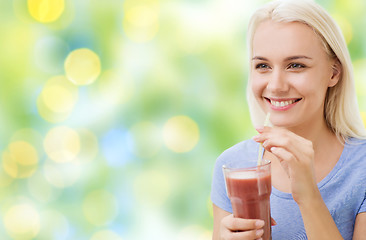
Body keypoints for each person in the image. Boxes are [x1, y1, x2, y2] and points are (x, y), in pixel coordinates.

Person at [210, 0, 366, 239]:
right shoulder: (235, 165)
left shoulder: (361, 167)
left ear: (333, 73)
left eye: (295, 65)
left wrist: (308, 196)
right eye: (262, 66)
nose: (276, 86)